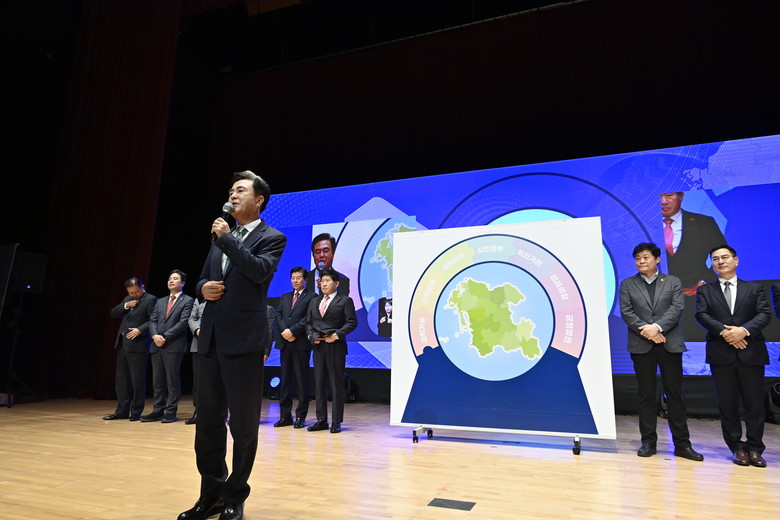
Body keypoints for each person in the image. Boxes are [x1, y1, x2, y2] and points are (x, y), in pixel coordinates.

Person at [179, 170, 286, 520]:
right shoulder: (220, 237)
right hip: (210, 339)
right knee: (208, 422)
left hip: (243, 342)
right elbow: (202, 280)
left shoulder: (272, 237)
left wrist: (226, 239)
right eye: (230, 190)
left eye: (241, 190)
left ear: (259, 200)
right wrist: (202, 289)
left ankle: (234, 496)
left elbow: (258, 271)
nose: (233, 195)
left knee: (242, 425)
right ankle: (209, 493)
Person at [619, 243, 703, 461]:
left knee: (674, 395)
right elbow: (627, 312)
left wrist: (657, 328)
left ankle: (682, 444)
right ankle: (648, 442)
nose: (641, 261)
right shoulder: (627, 284)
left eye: (645, 257)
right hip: (641, 344)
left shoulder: (673, 281)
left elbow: (677, 309)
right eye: (637, 258)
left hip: (669, 343)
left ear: (657, 259)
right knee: (646, 395)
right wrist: (649, 332)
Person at [695, 245, 772, 467]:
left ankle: (755, 448)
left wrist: (743, 331)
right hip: (721, 353)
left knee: (754, 404)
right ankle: (737, 447)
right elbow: (701, 315)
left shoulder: (754, 288)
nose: (720, 261)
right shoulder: (705, 290)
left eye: (725, 257)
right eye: (715, 259)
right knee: (727, 405)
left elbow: (764, 314)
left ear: (736, 260)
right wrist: (726, 333)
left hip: (751, 352)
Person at [305, 269, 357, 434]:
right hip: (318, 346)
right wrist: (312, 336)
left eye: (327, 281)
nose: (324, 284)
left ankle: (336, 421)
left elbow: (352, 322)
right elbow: (308, 323)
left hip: (335, 346)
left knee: (336, 384)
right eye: (322, 281)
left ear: (336, 283)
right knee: (319, 384)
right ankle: (321, 420)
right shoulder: (314, 301)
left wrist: (337, 335)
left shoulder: (345, 300)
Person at [143, 269, 194, 423]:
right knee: (157, 381)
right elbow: (152, 321)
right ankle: (158, 410)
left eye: (175, 278)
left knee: (172, 381)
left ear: (182, 283)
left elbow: (183, 322)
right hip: (156, 345)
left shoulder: (188, 300)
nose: (171, 281)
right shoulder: (160, 301)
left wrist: (164, 336)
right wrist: (154, 336)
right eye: (170, 278)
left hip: (173, 345)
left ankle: (171, 412)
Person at [104, 277, 157, 421]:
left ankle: (136, 411)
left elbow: (154, 320)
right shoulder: (128, 299)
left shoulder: (151, 299)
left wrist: (140, 330)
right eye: (131, 292)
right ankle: (121, 411)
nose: (134, 295)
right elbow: (114, 312)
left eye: (136, 292)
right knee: (121, 380)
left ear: (142, 287)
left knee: (137, 380)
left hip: (138, 345)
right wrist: (126, 305)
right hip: (123, 344)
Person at [273, 266, 317, 429]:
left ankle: (300, 416)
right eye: (293, 278)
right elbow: (278, 315)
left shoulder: (312, 296)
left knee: (302, 380)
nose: (295, 280)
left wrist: (292, 331)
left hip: (300, 343)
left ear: (305, 279)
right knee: (285, 380)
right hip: (285, 342)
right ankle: (285, 416)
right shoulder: (285, 296)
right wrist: (285, 331)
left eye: (298, 278)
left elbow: (308, 318)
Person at [186, 298, 207, 425]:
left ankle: (219, 413)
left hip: (220, 343)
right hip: (199, 343)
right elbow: (192, 318)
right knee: (198, 382)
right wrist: (198, 330)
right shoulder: (199, 299)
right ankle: (198, 412)